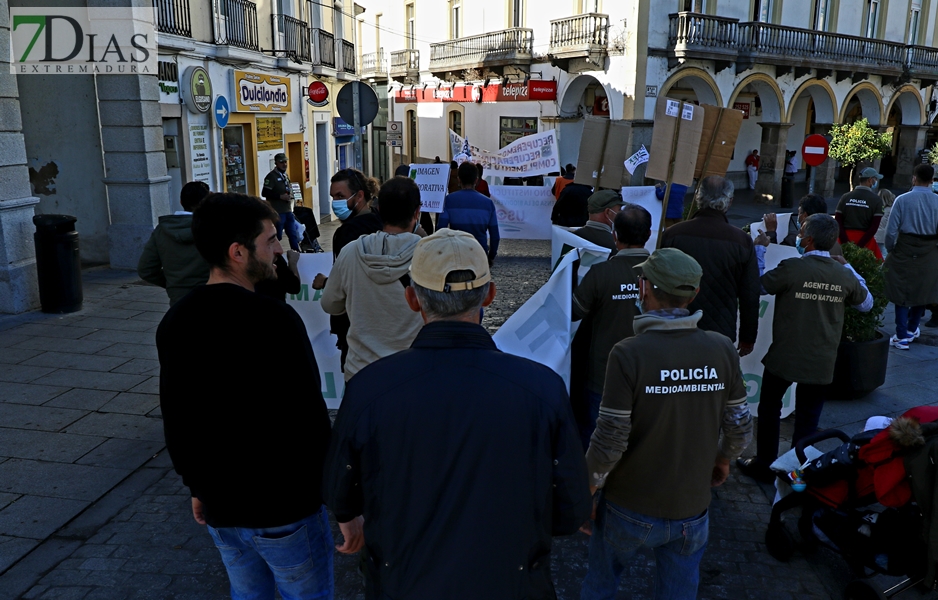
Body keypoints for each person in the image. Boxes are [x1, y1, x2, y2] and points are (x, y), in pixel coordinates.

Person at [324, 229, 591, 600]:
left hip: (405, 581)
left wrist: (354, 519)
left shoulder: (369, 388)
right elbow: (570, 509)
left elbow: (340, 490)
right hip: (509, 583)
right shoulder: (541, 387)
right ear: (490, 296)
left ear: (412, 299)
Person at [156, 193, 349, 599]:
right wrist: (341, 501)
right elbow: (309, 419)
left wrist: (196, 485)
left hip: (222, 507)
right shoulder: (274, 319)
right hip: (285, 509)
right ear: (238, 252)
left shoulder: (177, 320)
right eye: (271, 240)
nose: (280, 249)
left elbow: (178, 418)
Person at [580, 248, 753, 600]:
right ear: (695, 294)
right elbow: (739, 427)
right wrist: (722, 458)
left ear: (644, 288)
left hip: (628, 505)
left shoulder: (629, 353)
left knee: (601, 585)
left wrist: (586, 492)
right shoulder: (722, 348)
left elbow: (610, 441)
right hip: (692, 509)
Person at [737, 214, 873, 483]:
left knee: (769, 409)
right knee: (808, 419)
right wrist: (850, 268)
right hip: (821, 359)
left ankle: (765, 464)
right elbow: (866, 304)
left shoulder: (793, 268)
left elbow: (760, 286)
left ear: (808, 240)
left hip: (785, 355)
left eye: (800, 232)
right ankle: (796, 470)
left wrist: (761, 248)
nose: (798, 237)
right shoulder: (842, 275)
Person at [320, 177, 424, 381]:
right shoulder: (429, 254)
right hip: (413, 370)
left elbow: (330, 304)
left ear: (379, 209)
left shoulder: (351, 252)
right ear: (417, 213)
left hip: (362, 372)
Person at [571, 205, 652, 449]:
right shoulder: (663, 272)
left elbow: (574, 312)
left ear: (615, 236)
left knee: (597, 440)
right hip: (650, 373)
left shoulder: (601, 273)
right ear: (648, 235)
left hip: (604, 375)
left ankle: (593, 485)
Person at [661, 176, 760, 356]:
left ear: (698, 198)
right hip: (720, 332)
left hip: (676, 326)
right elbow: (750, 295)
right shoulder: (742, 241)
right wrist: (748, 337)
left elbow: (658, 284)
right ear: (729, 202)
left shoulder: (673, 234)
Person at [312, 168, 383, 372]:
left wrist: (326, 283)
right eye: (333, 196)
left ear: (359, 196)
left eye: (341, 196)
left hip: (355, 324)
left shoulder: (348, 232)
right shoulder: (379, 221)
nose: (335, 202)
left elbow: (351, 280)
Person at [884, 163, 938, 350]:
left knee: (901, 292)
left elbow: (891, 232)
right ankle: (912, 328)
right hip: (929, 251)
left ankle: (901, 335)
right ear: (932, 180)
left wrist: (892, 249)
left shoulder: (902, 200)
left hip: (905, 249)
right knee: (922, 290)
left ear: (914, 178)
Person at [137, 181, 211, 305]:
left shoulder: (162, 230)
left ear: (181, 202)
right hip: (211, 295)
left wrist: (173, 283)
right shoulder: (215, 229)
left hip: (179, 298)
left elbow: (146, 269)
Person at [438, 162, 500, 266]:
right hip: (480, 254)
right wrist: (491, 256)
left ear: (459, 179)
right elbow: (495, 236)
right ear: (476, 180)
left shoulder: (449, 200)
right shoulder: (488, 203)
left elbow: (441, 230)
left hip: (456, 254)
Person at [762, 194, 843, 256]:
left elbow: (775, 258)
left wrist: (771, 232)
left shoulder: (793, 240)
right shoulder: (835, 244)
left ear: (804, 215)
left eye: (799, 212)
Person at [835, 167, 885, 259]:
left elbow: (838, 221)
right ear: (870, 180)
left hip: (844, 240)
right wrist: (859, 246)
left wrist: (846, 243)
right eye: (875, 179)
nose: (876, 181)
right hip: (866, 242)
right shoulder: (877, 200)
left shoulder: (845, 197)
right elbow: (874, 227)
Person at [261, 153, 301, 251]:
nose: (284, 164)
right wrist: (280, 197)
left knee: (293, 234)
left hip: (288, 211)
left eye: (285, 162)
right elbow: (265, 192)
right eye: (281, 162)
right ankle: (274, 253)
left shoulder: (285, 175)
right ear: (276, 163)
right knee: (277, 235)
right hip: (278, 212)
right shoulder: (271, 176)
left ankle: (297, 252)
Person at [875, 188, 896, 258]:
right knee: (884, 255)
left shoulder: (876, 208)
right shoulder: (891, 209)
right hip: (884, 236)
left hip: (875, 235)